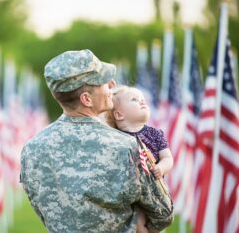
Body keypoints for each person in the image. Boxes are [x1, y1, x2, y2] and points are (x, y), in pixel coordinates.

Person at [20, 49, 173, 233]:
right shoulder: (126, 146)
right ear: (86, 99)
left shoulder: (31, 149)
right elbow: (163, 213)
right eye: (103, 81)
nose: (112, 84)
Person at [105, 85, 174, 233]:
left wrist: (161, 168)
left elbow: (168, 158)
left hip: (154, 191)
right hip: (130, 195)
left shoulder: (155, 134)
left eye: (143, 99)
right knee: (139, 220)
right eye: (134, 100)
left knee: (159, 219)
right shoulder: (116, 138)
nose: (142, 101)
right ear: (119, 115)